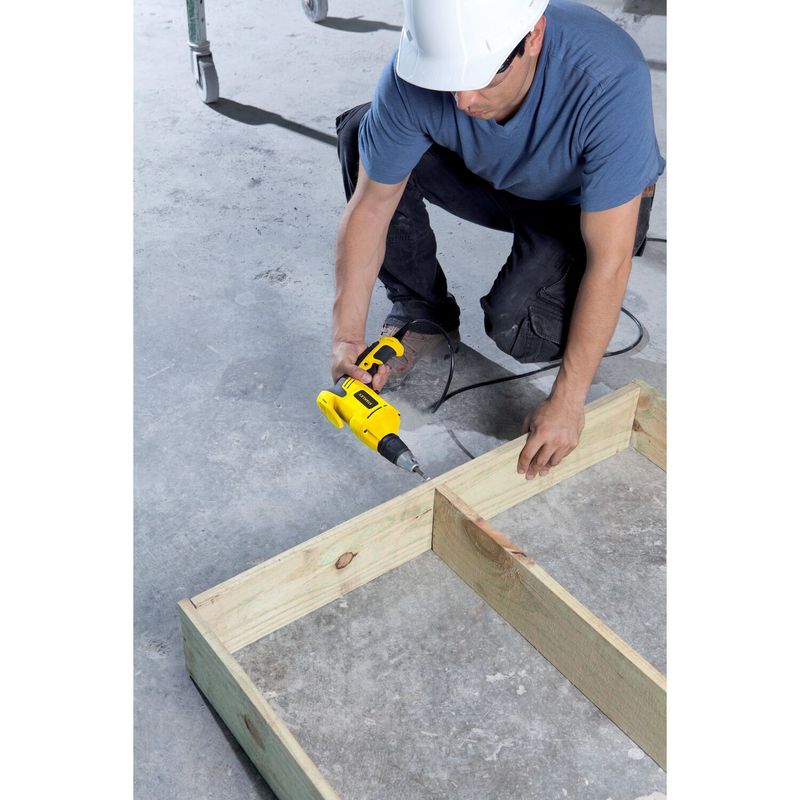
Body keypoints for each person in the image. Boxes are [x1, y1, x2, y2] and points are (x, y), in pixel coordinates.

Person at [330, 0, 664, 480]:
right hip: (498, 177)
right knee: (363, 136)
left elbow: (609, 261)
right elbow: (371, 208)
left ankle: (551, 280)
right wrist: (345, 337)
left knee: (520, 327)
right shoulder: (418, 72)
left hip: (585, 205)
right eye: (449, 81)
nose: (464, 101)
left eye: (484, 77)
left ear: (533, 37)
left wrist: (568, 401)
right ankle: (422, 311)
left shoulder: (606, 76)